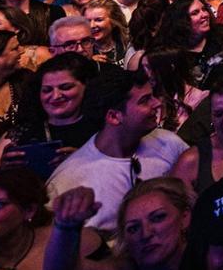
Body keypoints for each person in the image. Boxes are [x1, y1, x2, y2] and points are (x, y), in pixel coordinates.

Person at [46, 69, 189, 241]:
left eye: (152, 96)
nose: (157, 104)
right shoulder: (69, 182)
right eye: (144, 101)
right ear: (114, 116)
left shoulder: (169, 143)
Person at [43, 178, 191, 270]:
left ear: (185, 217)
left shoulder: (211, 259)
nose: (145, 234)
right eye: (133, 228)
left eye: (158, 218)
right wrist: (66, 226)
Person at [0, 52, 97, 175]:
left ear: (86, 86)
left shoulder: (101, 130)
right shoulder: (20, 133)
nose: (55, 96)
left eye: (66, 87)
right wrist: (3, 171)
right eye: (47, 90)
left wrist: (84, 162)